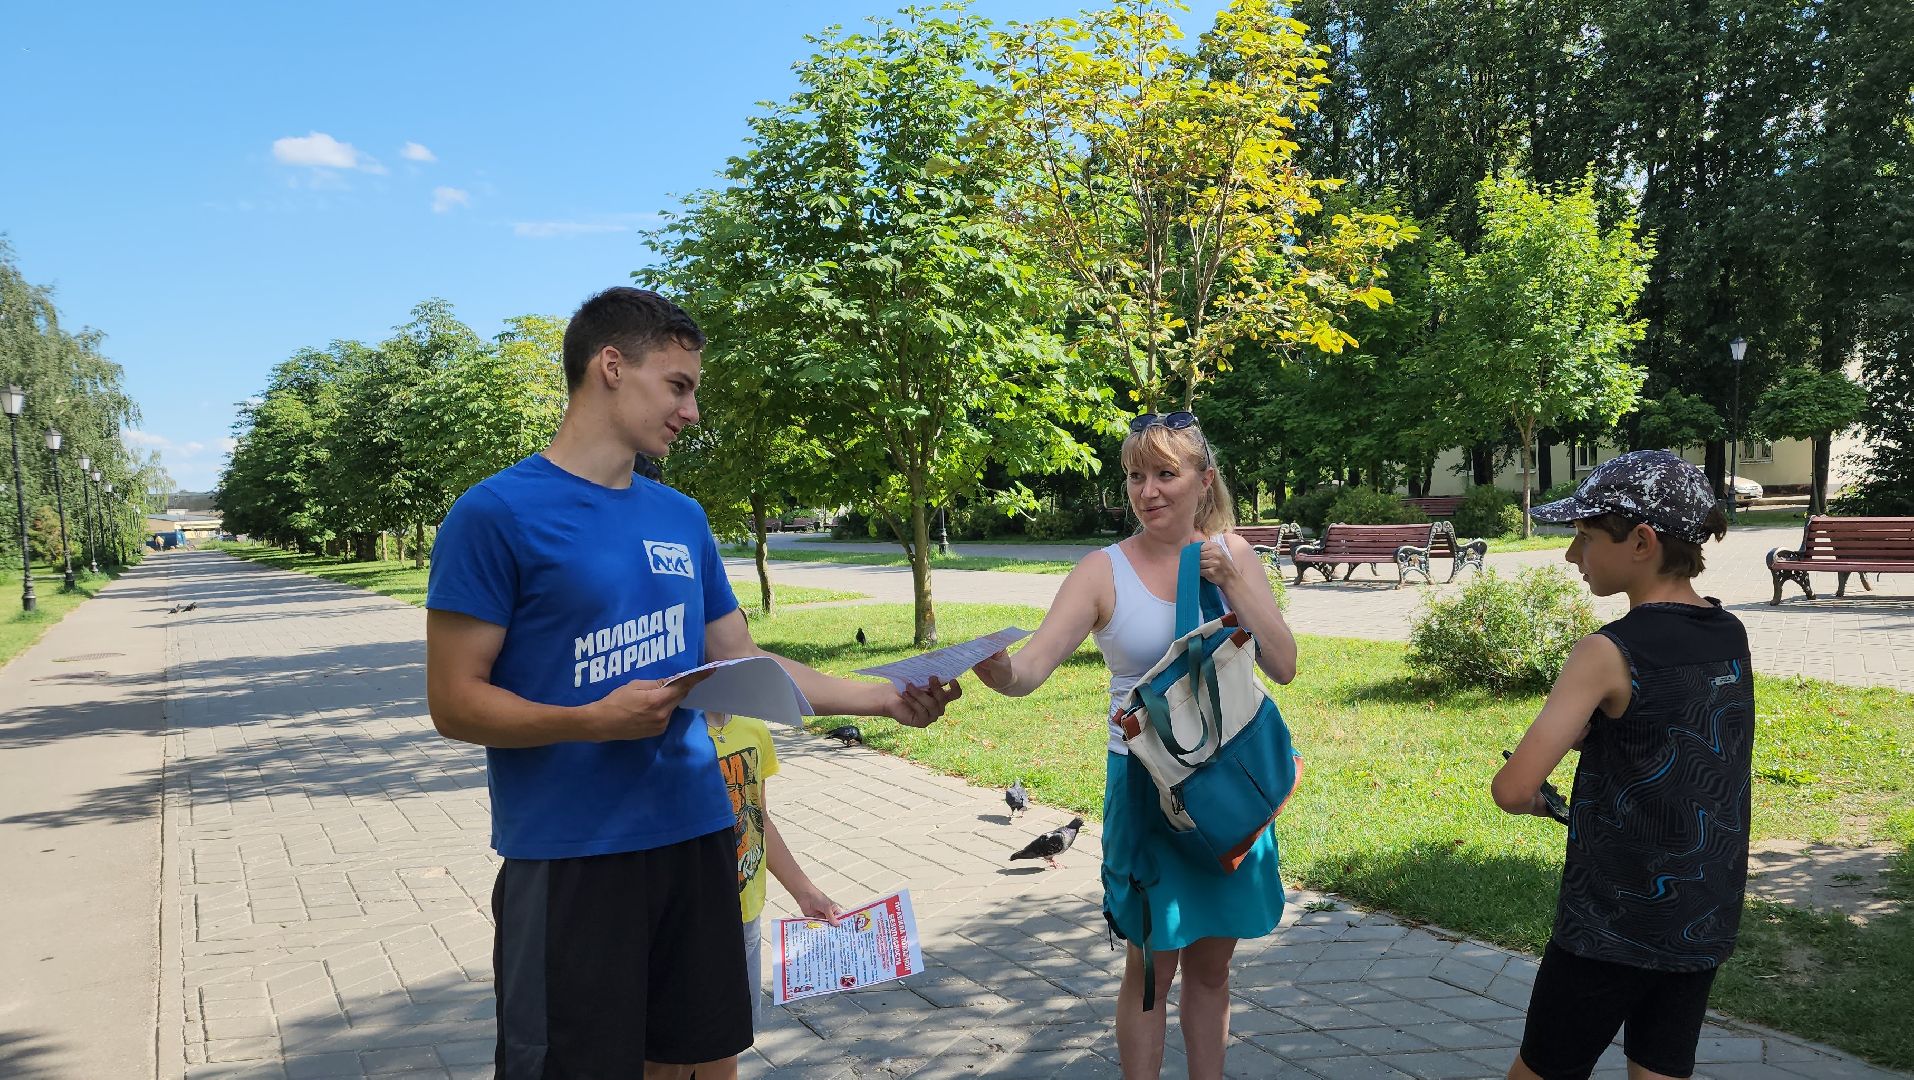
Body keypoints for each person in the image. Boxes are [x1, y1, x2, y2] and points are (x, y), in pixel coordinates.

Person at [424, 286, 959, 1080]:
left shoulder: (680, 518)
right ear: (611, 366)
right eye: (678, 385)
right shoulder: (495, 514)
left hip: (697, 838)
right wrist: (590, 720)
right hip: (571, 857)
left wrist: (885, 698)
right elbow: (454, 701)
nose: (692, 411)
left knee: (694, 1063)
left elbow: (743, 665)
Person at [970, 412, 1297, 1080]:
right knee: (1151, 968)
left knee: (1212, 971)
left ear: (1203, 480)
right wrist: (997, 669)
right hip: (1148, 792)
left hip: (1228, 788)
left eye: (1165, 474)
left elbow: (1285, 664)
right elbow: (1029, 670)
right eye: (1135, 476)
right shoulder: (1102, 570)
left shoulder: (1233, 556)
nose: (1147, 491)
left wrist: (1230, 580)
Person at [1491, 450, 1750, 1080]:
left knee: (1544, 1068)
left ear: (1642, 542)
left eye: (1583, 537)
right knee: (1659, 1068)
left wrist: (1541, 799)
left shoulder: (1607, 651)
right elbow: (1681, 736)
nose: (1571, 556)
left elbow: (1512, 787)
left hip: (1614, 916)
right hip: (1700, 909)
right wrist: (1605, 739)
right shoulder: (1729, 631)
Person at [698, 709, 843, 1080]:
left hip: (745, 912)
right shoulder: (670, 733)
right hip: (690, 919)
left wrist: (806, 892)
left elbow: (759, 816)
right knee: (674, 1053)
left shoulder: (753, 729)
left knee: (727, 1045)